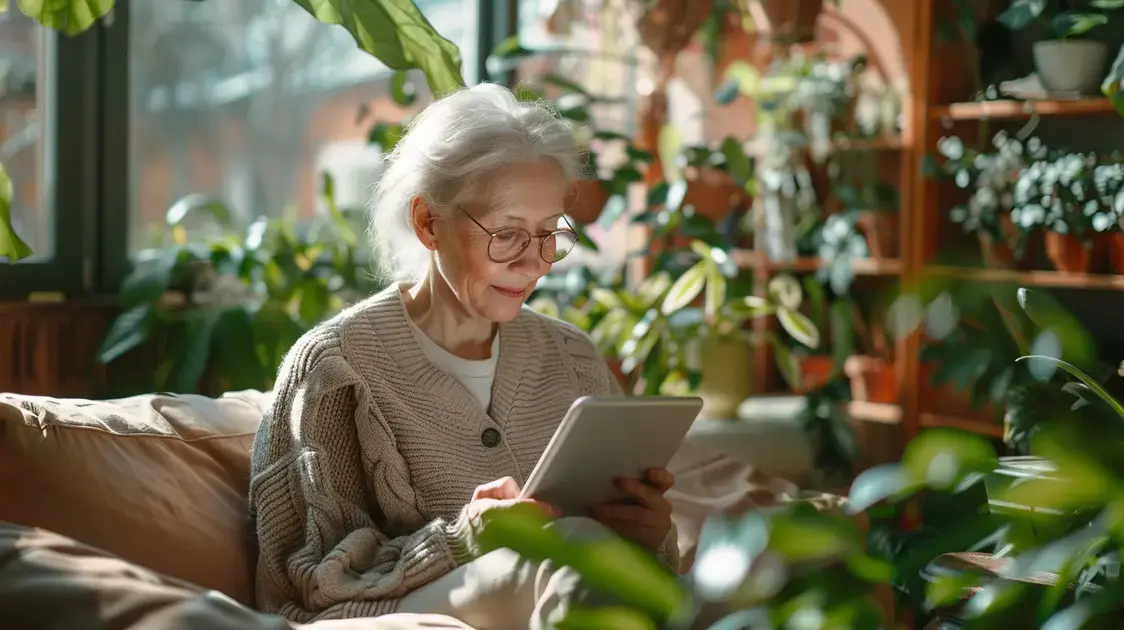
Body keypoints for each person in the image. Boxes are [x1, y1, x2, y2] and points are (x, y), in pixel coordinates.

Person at [248, 83, 679, 629]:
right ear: (429, 222)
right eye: (507, 234)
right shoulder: (334, 368)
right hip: (395, 613)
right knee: (573, 548)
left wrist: (650, 531)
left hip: (564, 597)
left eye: (549, 235)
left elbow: (647, 566)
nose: (535, 264)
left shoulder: (573, 357)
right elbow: (306, 580)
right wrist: (464, 538)